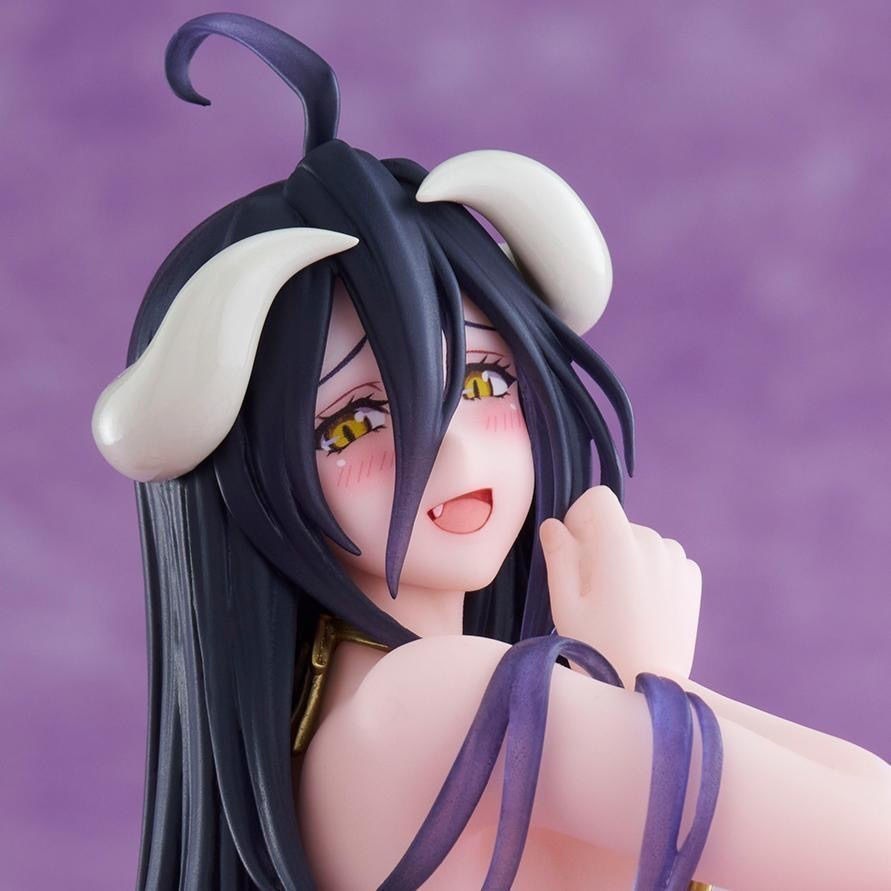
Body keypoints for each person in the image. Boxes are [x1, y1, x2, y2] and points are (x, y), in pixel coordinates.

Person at [91, 13, 891, 890]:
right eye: (353, 422)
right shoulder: (434, 700)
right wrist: (642, 681)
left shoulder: (356, 716)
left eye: (482, 381)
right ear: (253, 469)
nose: (453, 450)